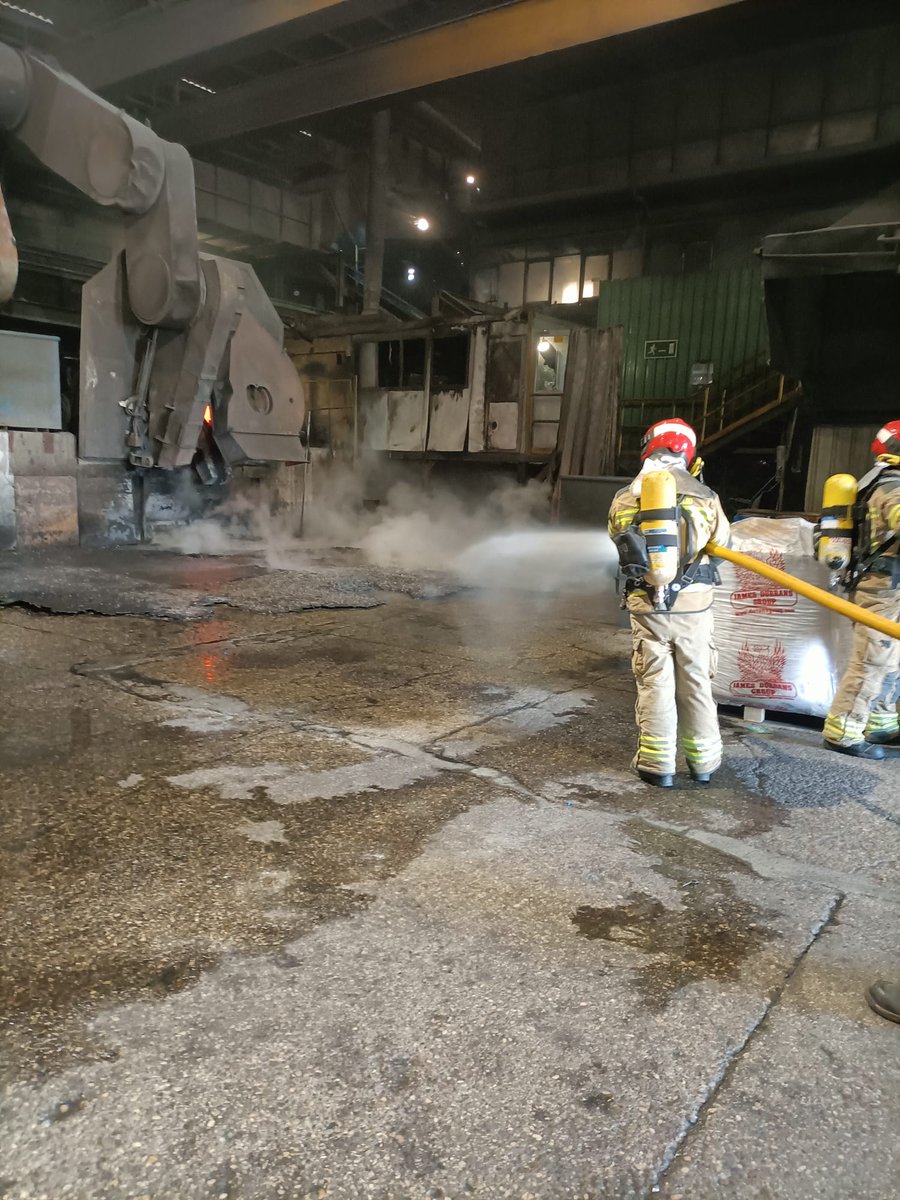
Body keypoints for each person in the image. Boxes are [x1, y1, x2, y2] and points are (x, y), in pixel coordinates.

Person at [608, 419, 730, 788]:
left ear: (648, 448)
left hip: (648, 606)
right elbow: (723, 545)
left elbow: (618, 536)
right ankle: (704, 763)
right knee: (695, 682)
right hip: (693, 605)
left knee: (655, 682)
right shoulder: (704, 496)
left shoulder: (626, 496)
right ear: (687, 453)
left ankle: (657, 765)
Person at [823, 420, 900, 758]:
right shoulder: (893, 488)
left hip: (885, 590)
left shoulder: (877, 482)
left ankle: (881, 723)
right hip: (881, 592)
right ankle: (842, 731)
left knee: (890, 661)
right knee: (870, 663)